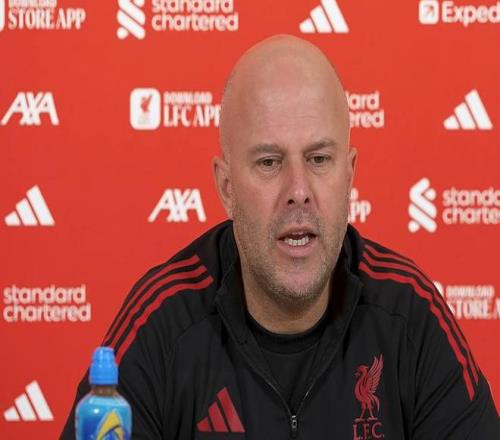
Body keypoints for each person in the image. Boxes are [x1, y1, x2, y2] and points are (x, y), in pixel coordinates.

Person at [61, 35, 498, 439]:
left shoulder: (410, 316)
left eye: (319, 159)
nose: (298, 191)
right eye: (269, 162)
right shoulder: (162, 324)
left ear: (350, 176)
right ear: (226, 187)